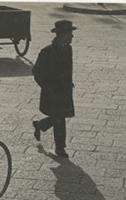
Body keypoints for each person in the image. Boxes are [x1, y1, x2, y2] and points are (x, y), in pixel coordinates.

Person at [32, 20, 77, 158]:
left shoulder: (68, 49)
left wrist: (70, 83)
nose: (72, 36)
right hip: (52, 92)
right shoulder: (47, 52)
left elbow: (67, 69)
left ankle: (40, 125)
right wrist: (47, 87)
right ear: (62, 35)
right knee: (59, 118)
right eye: (70, 33)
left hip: (64, 90)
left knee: (59, 116)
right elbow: (37, 72)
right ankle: (60, 148)